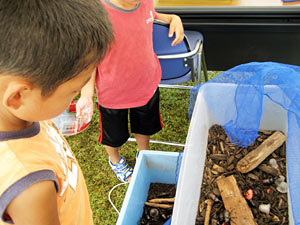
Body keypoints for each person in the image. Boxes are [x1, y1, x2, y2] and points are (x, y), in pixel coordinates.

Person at [0, 1, 113, 225]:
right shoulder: (31, 188)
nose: (75, 95)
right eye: (73, 91)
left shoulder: (26, 113)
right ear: (18, 96)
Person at [76, 0, 184, 183]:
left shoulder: (145, 3)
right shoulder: (98, 13)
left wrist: (175, 18)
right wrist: (86, 95)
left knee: (145, 125)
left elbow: (154, 16)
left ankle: (144, 152)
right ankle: (115, 159)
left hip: (146, 85)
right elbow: (90, 60)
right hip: (113, 93)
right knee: (114, 135)